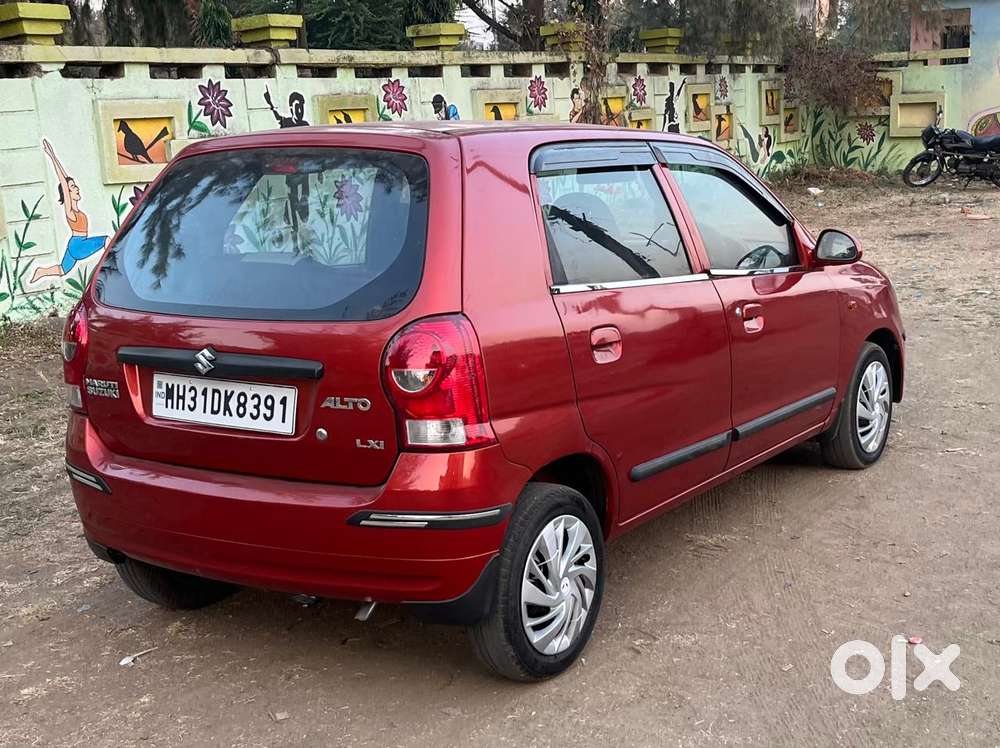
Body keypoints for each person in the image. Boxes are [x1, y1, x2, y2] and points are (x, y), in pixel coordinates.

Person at [31, 139, 107, 284]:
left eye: (76, 186)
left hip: (75, 245)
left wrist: (55, 156)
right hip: (79, 244)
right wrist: (52, 157)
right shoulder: (70, 212)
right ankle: (110, 269)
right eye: (73, 187)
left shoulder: (76, 211)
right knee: (107, 240)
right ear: (68, 193)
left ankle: (42, 271)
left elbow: (66, 179)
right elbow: (64, 182)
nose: (77, 188)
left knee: (62, 270)